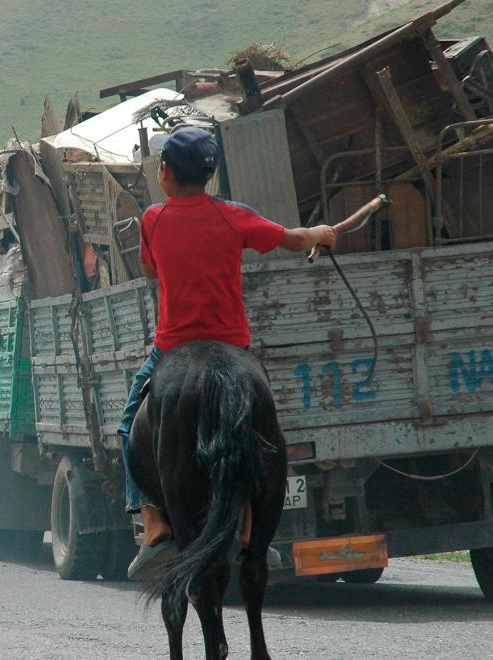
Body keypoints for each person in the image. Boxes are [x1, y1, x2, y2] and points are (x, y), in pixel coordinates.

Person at [120, 126, 336, 578]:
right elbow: (295, 240)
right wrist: (321, 232)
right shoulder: (234, 216)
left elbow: (149, 271)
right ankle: (249, 524)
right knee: (257, 432)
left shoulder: (153, 220)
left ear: (164, 173)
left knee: (127, 424)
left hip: (172, 350)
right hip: (232, 346)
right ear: (210, 174)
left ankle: (153, 521)